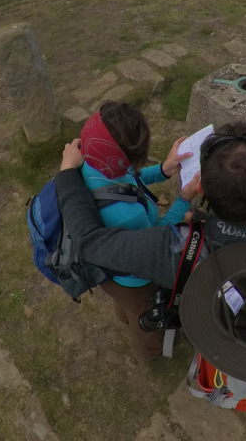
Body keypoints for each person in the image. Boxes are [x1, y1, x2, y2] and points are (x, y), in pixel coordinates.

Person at [56, 121, 246, 410]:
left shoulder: (171, 248)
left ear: (201, 186)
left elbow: (90, 242)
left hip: (209, 329)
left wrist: (67, 175)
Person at [75, 101, 191, 362]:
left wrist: (164, 169)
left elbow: (129, 177)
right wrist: (183, 199)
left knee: (124, 304)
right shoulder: (129, 214)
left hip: (109, 268)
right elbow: (154, 242)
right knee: (144, 317)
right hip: (134, 279)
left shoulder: (91, 163)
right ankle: (147, 354)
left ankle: (123, 316)